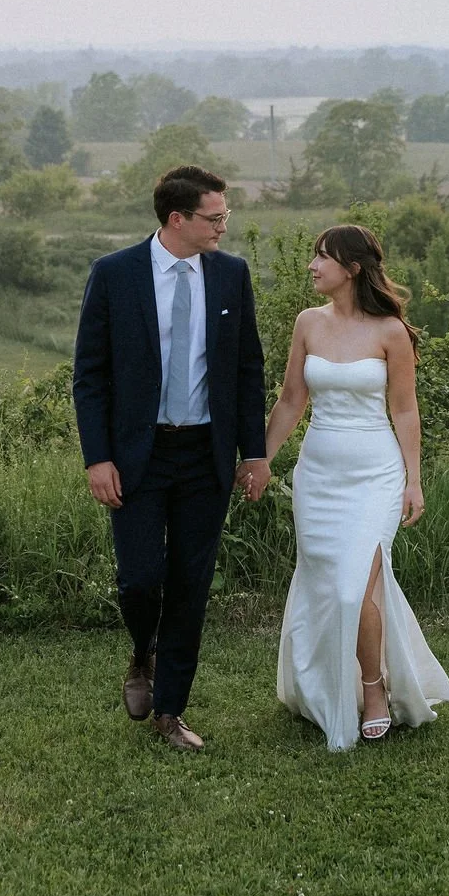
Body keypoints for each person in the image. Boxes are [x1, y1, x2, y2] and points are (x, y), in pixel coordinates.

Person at [73, 165, 269, 752]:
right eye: (215, 218)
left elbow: (247, 370)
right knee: (139, 579)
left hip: (204, 454)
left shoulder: (232, 276)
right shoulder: (114, 275)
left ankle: (169, 712)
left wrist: (254, 453)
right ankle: (143, 650)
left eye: (225, 216)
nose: (224, 228)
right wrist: (97, 457)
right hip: (138, 454)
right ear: (177, 219)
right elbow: (90, 376)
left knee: (191, 583)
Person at [265, 223, 449, 751]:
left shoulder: (390, 331)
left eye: (321, 257)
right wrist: (260, 459)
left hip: (375, 474)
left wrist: (414, 479)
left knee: (355, 586)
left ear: (350, 268)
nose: (312, 266)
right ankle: (322, 686)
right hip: (318, 474)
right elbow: (290, 400)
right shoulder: (307, 323)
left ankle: (374, 690)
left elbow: (404, 409)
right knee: (330, 586)